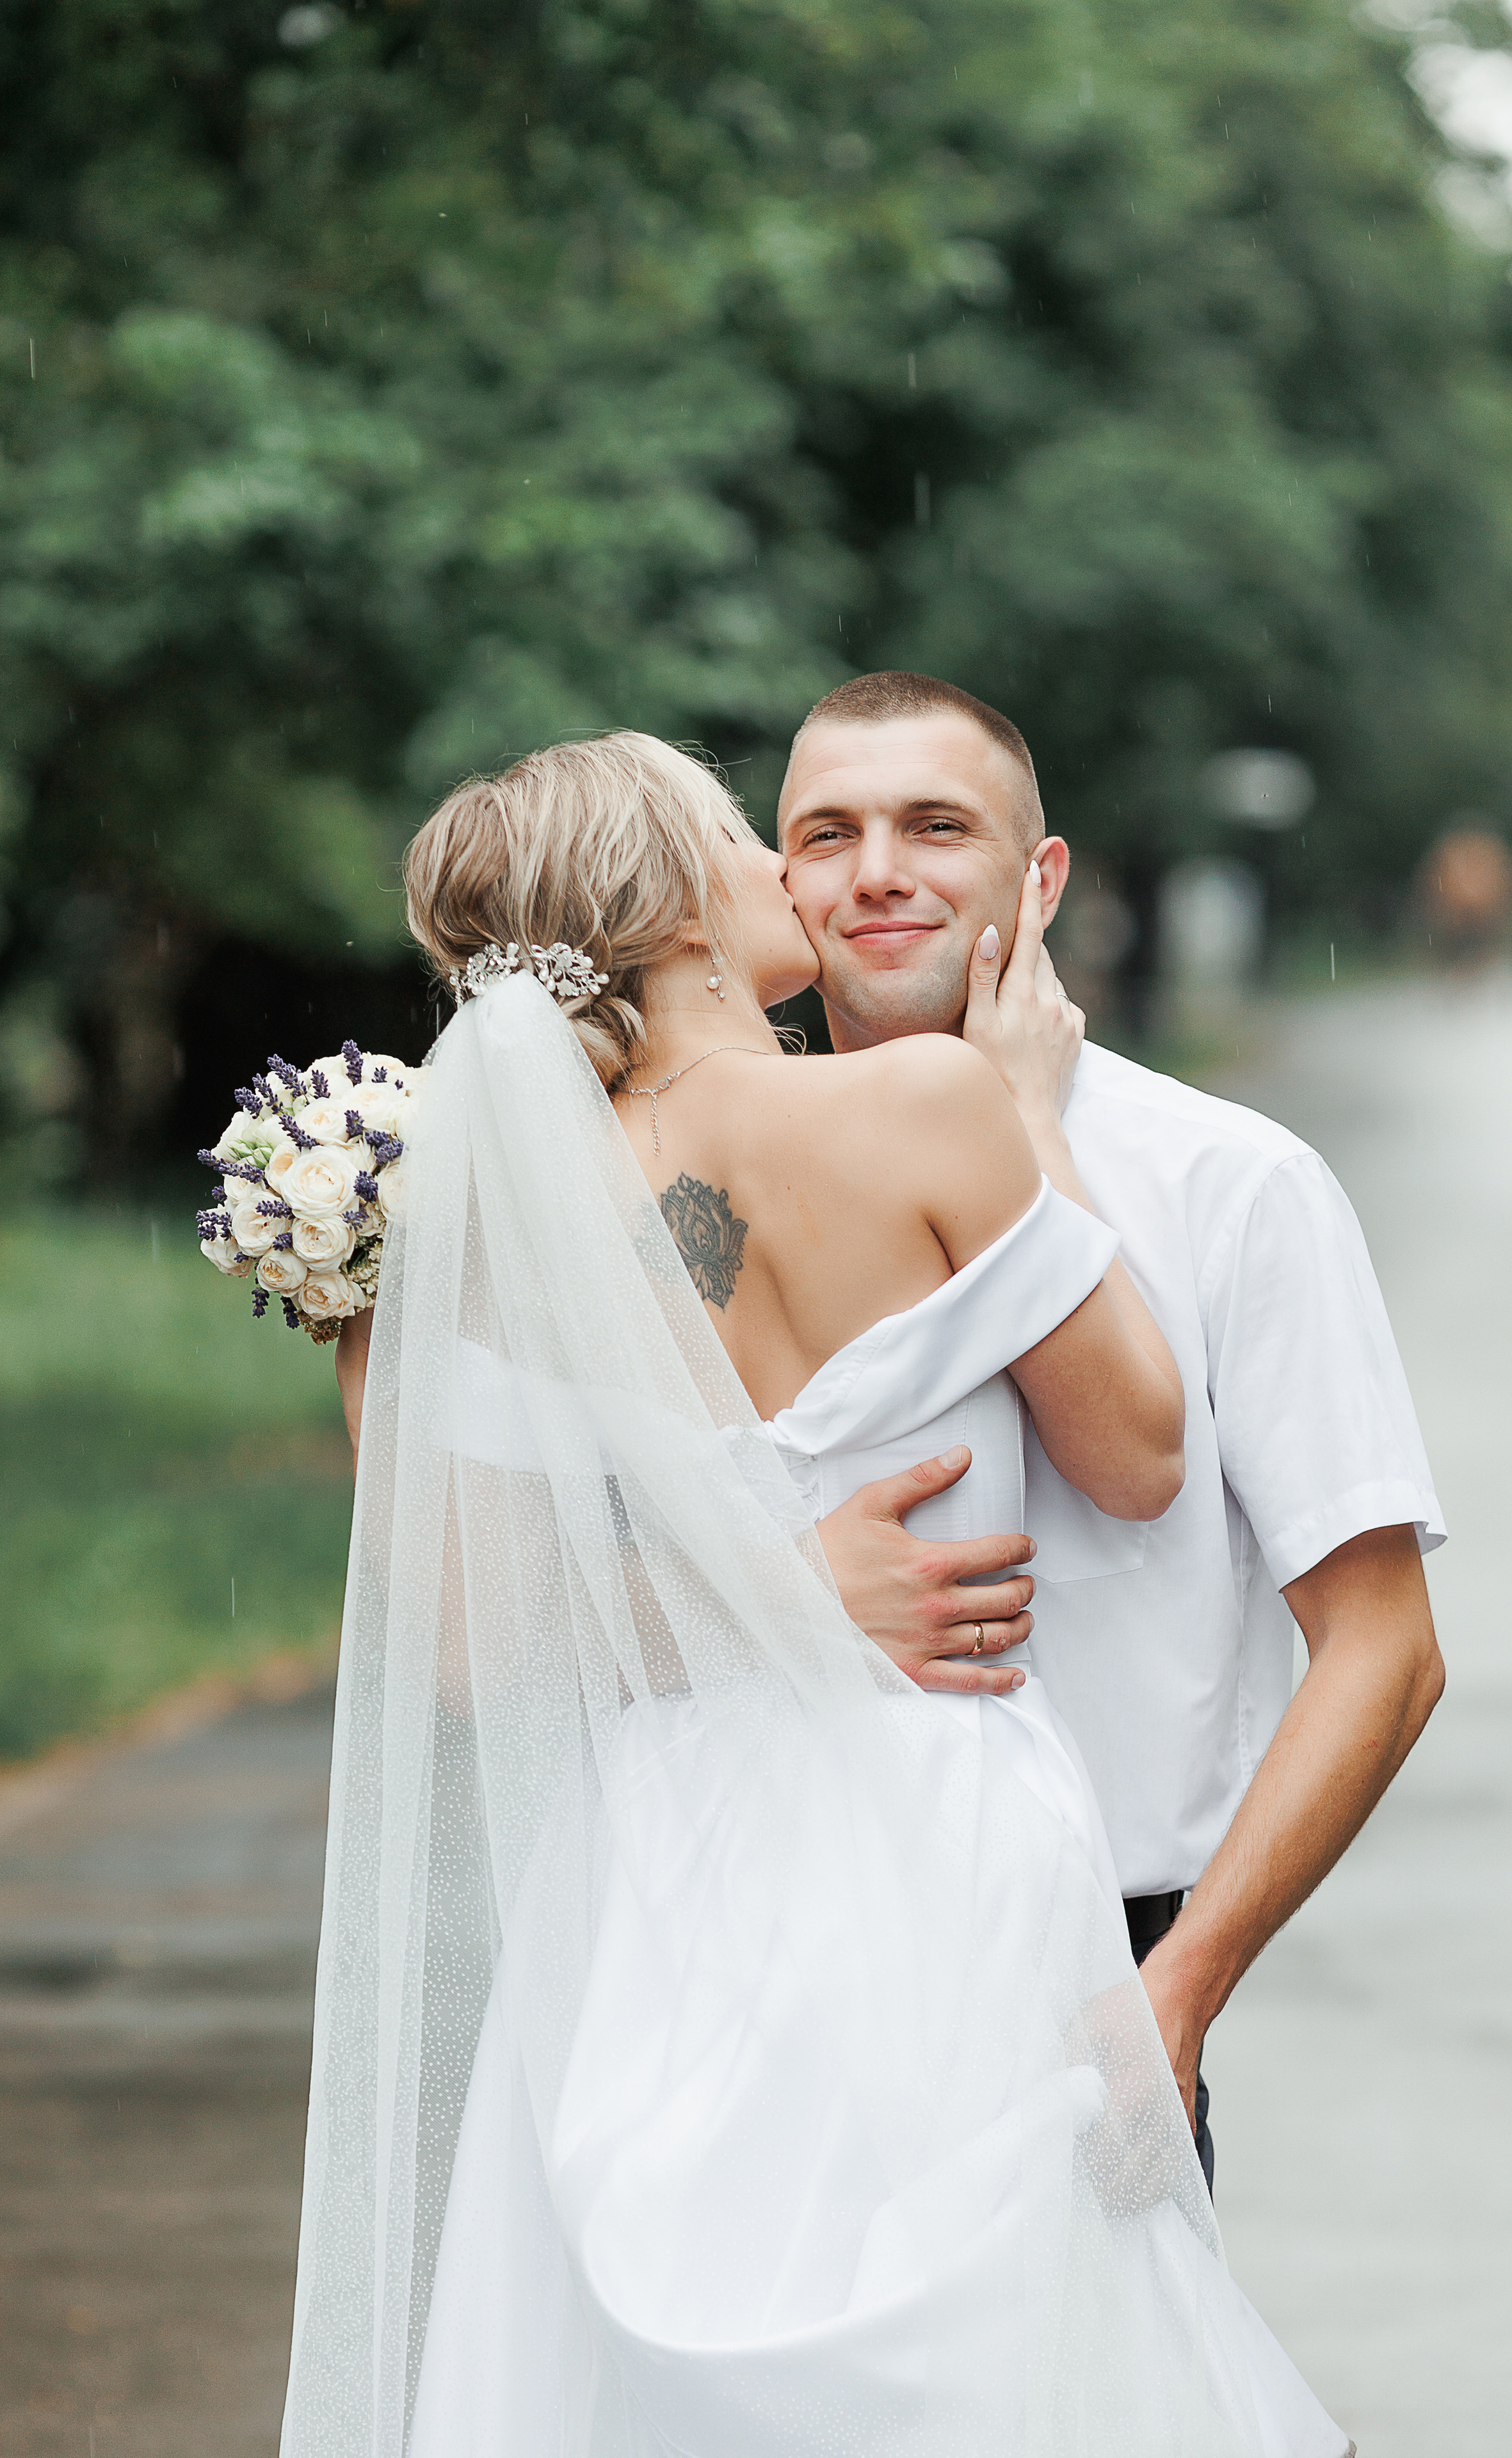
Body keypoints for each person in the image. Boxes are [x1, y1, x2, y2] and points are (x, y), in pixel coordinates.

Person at [289, 733, 1351, 2455]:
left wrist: (755, 1596)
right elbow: (1142, 1452)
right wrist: (1024, 1111)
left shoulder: (486, 1225)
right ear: (680, 907)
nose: (793, 868)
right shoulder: (925, 1108)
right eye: (743, 834)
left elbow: (476, 1647)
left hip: (651, 1872)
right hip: (935, 1829)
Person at [777, 673, 1447, 2181]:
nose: (876, 870)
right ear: (778, 882)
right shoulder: (713, 1191)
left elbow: (1384, 1650)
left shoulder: (1231, 1182)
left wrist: (1174, 1996)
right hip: (766, 1958)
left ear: (1041, 876)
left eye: (933, 826)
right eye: (828, 833)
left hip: (1094, 1977)